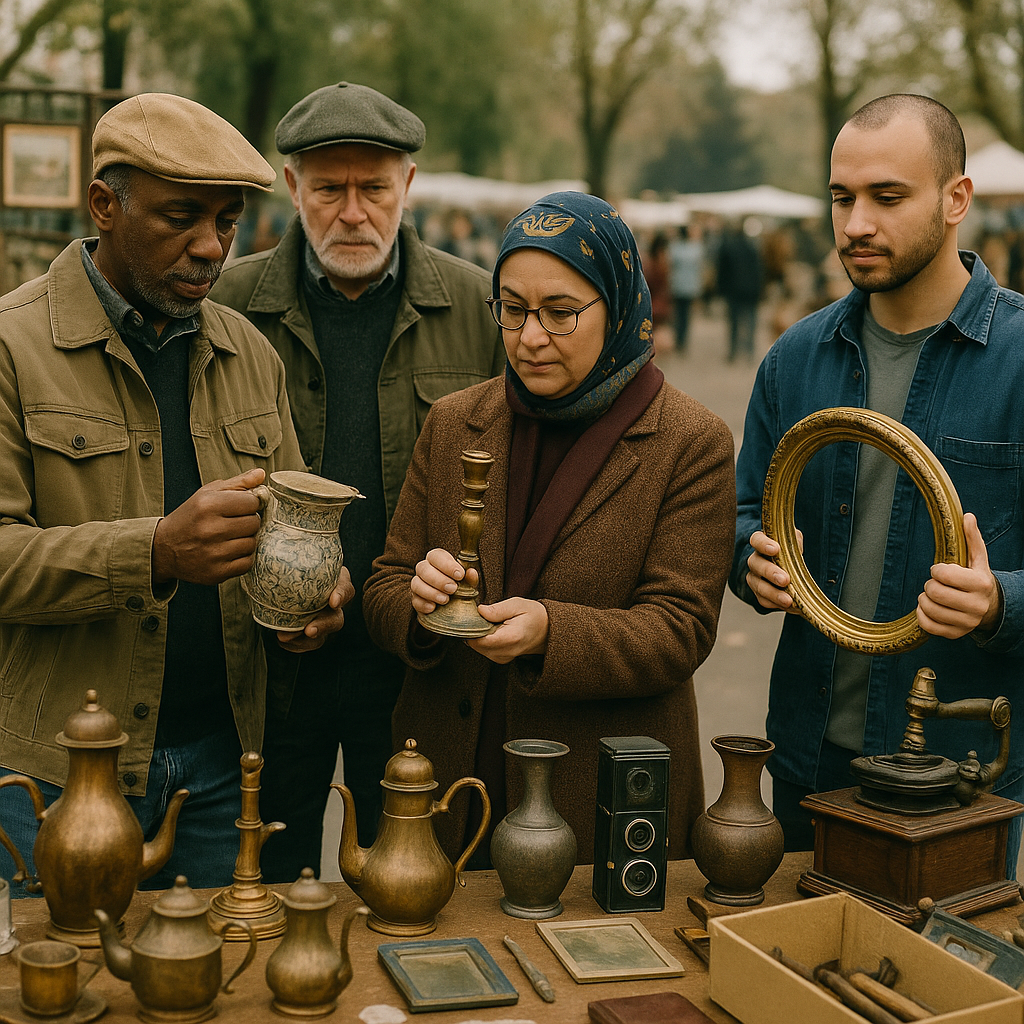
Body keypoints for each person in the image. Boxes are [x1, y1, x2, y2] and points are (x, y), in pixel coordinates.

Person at [0, 93, 352, 891]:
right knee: (53, 1000)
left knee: (209, 1004)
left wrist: (318, 602)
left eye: (227, 222)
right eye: (180, 218)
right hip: (52, 776)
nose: (210, 248)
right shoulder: (13, 348)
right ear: (104, 205)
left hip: (220, 774)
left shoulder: (249, 355)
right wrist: (155, 552)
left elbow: (289, 532)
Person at [363, 191, 736, 866]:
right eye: (511, 310)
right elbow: (385, 585)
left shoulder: (690, 442)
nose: (529, 337)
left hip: (601, 800)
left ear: (618, 305)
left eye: (560, 313)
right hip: (449, 789)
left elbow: (680, 630)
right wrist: (419, 606)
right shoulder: (453, 421)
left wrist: (549, 633)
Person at [211, 82, 503, 880]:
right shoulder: (228, 306)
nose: (351, 212)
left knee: (416, 885)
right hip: (276, 673)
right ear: (294, 189)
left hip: (419, 668)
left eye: (373, 188)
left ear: (407, 187)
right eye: (329, 188)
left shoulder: (478, 305)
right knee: (267, 882)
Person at [730, 94, 1024, 871]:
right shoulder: (794, 358)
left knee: (947, 985)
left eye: (887, 197)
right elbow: (741, 513)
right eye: (841, 196)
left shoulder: (1021, 360)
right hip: (808, 756)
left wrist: (1000, 602)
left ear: (956, 198)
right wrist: (749, 561)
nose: (856, 222)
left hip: (963, 772)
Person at [717, 219, 763, 363]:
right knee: (750, 321)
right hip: (750, 290)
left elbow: (722, 271)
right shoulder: (752, 247)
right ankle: (748, 351)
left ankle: (733, 350)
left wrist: (721, 289)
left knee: (734, 322)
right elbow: (758, 269)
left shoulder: (728, 246)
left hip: (734, 290)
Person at [668, 224, 704, 353]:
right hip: (690, 286)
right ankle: (683, 340)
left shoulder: (674, 247)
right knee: (686, 315)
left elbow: (671, 266)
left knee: (678, 314)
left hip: (677, 285)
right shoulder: (695, 248)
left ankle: (678, 339)